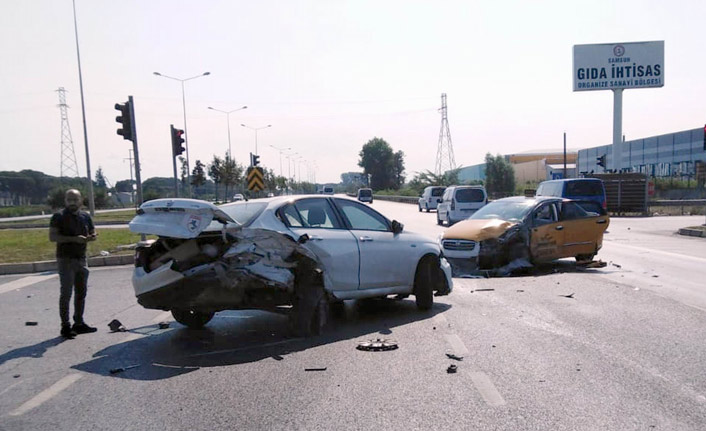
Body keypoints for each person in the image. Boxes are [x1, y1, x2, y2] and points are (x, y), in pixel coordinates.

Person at [49, 189, 98, 339]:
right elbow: (53, 237)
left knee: (81, 292)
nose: (72, 203)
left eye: (75, 200)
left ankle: (79, 323)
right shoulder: (59, 216)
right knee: (66, 293)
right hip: (66, 259)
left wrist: (92, 237)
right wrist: (74, 239)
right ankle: (65, 326)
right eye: (69, 200)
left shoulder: (85, 216)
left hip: (81, 259)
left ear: (81, 201)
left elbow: (92, 231)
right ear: (65, 201)